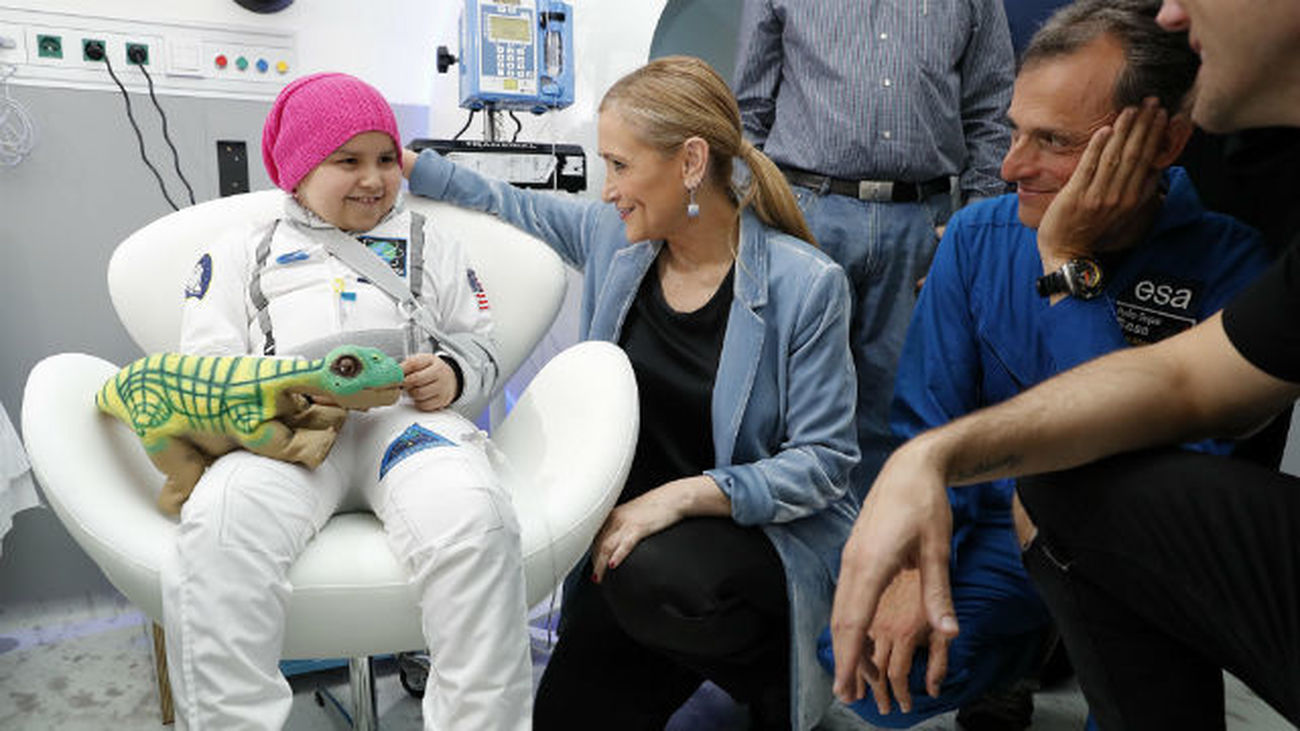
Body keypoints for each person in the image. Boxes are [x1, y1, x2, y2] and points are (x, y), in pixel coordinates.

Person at [829, 1, 1300, 728]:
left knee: (1098, 559)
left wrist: (1067, 267)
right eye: (1015, 130)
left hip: (1115, 556)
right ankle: (1022, 655)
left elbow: (1149, 491)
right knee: (872, 675)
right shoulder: (978, 236)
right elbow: (929, 413)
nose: (1012, 165)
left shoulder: (1233, 265)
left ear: (1164, 141)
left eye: (1052, 140)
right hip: (991, 532)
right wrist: (915, 570)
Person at [403, 56, 858, 731]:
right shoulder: (617, 242)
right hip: (629, 557)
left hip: (745, 541)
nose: (608, 188)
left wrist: (679, 496)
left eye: (620, 165)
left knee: (652, 576)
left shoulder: (805, 285)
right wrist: (408, 165)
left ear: (691, 161)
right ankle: (690, 659)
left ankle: (773, 675)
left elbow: (824, 463)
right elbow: (515, 204)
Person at [167, 73, 531, 730]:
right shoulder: (242, 251)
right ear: (300, 172)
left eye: (386, 159)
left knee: (478, 521)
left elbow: (482, 344)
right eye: (348, 160)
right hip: (292, 436)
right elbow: (205, 373)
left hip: (406, 431)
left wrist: (450, 374)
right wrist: (284, 388)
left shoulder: (432, 241)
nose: (374, 178)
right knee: (219, 526)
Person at [733, 0, 1016, 506]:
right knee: (782, 407)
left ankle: (877, 563)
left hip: (924, 227)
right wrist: (751, 224)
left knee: (900, 412)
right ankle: (789, 568)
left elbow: (993, 109)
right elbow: (748, 111)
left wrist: (972, 228)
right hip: (805, 216)